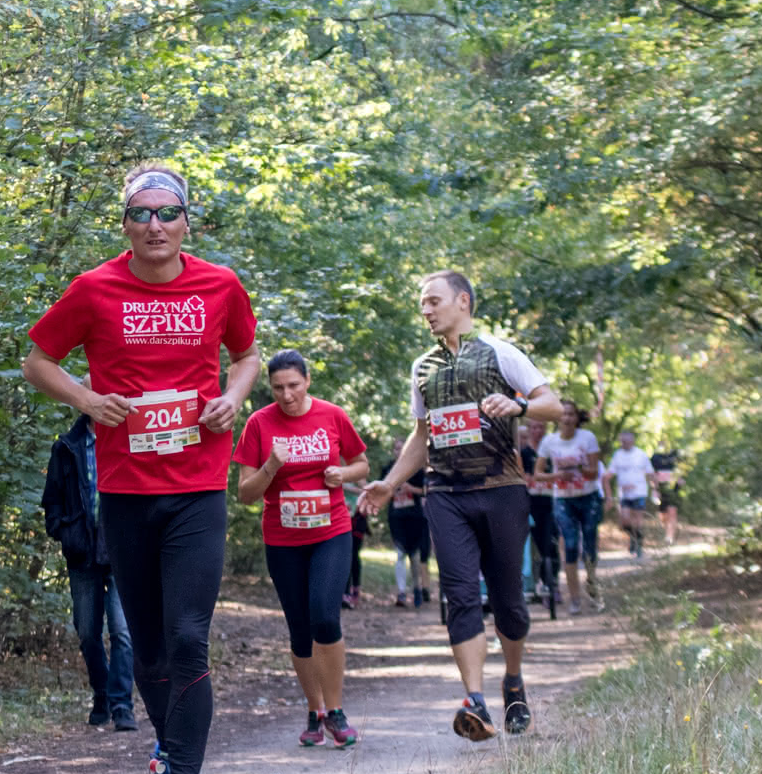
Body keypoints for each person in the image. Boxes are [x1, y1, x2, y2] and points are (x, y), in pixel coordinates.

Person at [21, 163, 259, 774]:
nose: (154, 225)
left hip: (196, 486)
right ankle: (167, 748)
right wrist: (88, 400)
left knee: (188, 637)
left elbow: (245, 354)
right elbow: (38, 359)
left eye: (167, 212)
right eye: (140, 214)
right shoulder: (95, 288)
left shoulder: (219, 285)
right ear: (124, 223)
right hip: (124, 492)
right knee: (150, 646)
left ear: (188, 221)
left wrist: (234, 397)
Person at [359, 271, 561, 741]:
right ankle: (476, 701)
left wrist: (519, 407)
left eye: (433, 301)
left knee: (509, 603)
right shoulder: (422, 367)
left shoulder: (499, 353)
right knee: (460, 596)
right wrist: (390, 483)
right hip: (446, 494)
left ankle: (513, 680)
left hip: (502, 491)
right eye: (422, 304)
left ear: (463, 302)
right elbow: (423, 436)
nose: (426, 311)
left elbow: (551, 402)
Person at [234, 350, 369, 749]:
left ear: (307, 381)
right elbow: (245, 494)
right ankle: (316, 712)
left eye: (293, 385)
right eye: (278, 388)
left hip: (331, 532)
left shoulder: (332, 415)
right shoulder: (259, 423)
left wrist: (341, 473)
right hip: (283, 538)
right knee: (299, 629)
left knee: (325, 618)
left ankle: (338, 710)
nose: (287, 395)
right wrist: (271, 467)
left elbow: (360, 464)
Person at [43, 410, 137, 732]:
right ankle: (102, 696)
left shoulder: (129, 440)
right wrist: (62, 530)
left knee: (123, 632)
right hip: (82, 552)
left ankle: (123, 706)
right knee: (87, 632)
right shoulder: (67, 447)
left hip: (122, 551)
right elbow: (51, 499)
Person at [536, 400, 602, 614]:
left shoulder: (588, 438)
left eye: (571, 414)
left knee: (590, 546)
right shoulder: (549, 441)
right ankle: (574, 598)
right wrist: (558, 475)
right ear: (557, 417)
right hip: (563, 500)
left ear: (576, 418)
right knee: (571, 546)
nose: (567, 418)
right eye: (563, 414)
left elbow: (594, 472)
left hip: (588, 497)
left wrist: (579, 467)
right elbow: (538, 474)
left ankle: (593, 589)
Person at [384, 438, 433, 610]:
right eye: (396, 448)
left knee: (414, 557)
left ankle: (417, 588)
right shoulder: (388, 469)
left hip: (415, 518)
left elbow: (427, 490)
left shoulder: (416, 469)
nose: (398, 451)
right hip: (396, 517)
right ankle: (401, 592)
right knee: (399, 555)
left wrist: (410, 489)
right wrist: (391, 491)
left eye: (401, 448)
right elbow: (381, 492)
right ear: (393, 451)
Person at [519, 418, 560, 618]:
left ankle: (552, 585)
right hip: (530, 504)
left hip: (550, 502)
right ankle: (533, 585)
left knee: (550, 545)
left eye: (540, 427)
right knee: (529, 547)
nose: (537, 431)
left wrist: (543, 478)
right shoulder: (524, 454)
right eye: (533, 427)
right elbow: (523, 478)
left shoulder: (552, 453)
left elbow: (559, 475)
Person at [607, 430, 655, 558]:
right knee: (625, 521)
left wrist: (655, 489)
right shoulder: (618, 455)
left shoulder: (641, 454)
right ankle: (634, 538)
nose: (624, 443)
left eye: (627, 441)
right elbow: (610, 472)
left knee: (638, 520)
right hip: (624, 494)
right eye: (622, 441)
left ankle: (638, 544)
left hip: (639, 492)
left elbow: (650, 473)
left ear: (632, 441)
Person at [651, 447, 683, 545]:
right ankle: (671, 529)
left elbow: (683, 470)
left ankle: (669, 537)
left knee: (672, 512)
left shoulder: (677, 455)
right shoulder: (655, 458)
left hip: (674, 489)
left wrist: (681, 481)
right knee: (663, 516)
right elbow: (653, 476)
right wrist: (654, 490)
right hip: (661, 489)